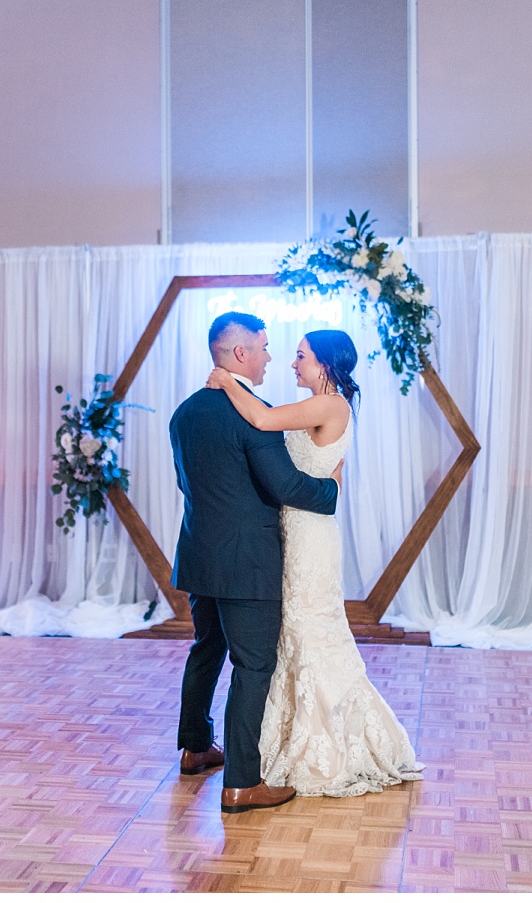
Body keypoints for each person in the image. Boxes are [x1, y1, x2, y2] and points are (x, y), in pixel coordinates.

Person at [206, 328, 424, 797]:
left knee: (308, 628)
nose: (291, 363)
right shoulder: (319, 406)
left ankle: (330, 745)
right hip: (292, 530)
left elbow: (262, 421)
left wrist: (227, 381)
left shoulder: (331, 405)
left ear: (324, 364)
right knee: (291, 633)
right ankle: (286, 738)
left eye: (301, 356)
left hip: (312, 538)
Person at [170, 312, 342, 814]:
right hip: (247, 562)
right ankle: (243, 780)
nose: (271, 356)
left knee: (207, 648)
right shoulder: (252, 413)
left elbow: (189, 484)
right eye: (265, 347)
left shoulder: (185, 412)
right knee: (254, 664)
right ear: (241, 353)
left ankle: (196, 748)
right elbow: (285, 486)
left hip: (200, 553)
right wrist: (330, 488)